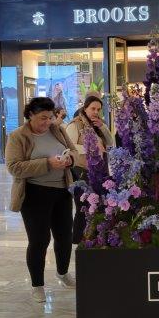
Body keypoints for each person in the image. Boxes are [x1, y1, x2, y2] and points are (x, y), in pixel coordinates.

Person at [5, 97, 79, 303]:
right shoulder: (17, 136)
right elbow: (14, 167)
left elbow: (74, 152)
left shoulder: (58, 130)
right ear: (30, 115)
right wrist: (47, 163)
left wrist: (69, 159)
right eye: (42, 118)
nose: (47, 122)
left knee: (65, 237)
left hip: (62, 191)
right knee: (39, 240)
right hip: (34, 194)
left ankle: (63, 273)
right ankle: (37, 284)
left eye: (50, 117)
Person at [66, 96, 113, 243]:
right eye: (92, 108)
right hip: (80, 170)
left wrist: (102, 127)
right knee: (83, 206)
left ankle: (92, 237)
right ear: (85, 108)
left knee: (97, 204)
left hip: (98, 170)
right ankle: (77, 239)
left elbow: (110, 143)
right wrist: (90, 147)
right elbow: (68, 147)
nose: (95, 112)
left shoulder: (98, 124)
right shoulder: (75, 125)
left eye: (98, 109)